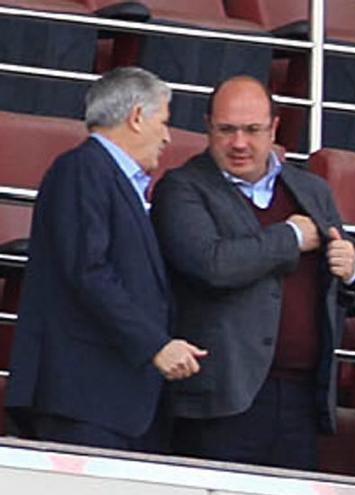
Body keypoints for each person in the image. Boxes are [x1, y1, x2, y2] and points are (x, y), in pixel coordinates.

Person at [150, 75, 355, 469]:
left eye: (252, 130)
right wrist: (289, 237)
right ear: (208, 128)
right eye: (227, 130)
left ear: (274, 128)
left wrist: (353, 269)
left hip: (302, 399)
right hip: (222, 400)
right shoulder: (182, 188)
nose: (240, 143)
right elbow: (212, 265)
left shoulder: (312, 190)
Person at [4, 67, 206, 450]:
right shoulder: (83, 169)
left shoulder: (111, 178)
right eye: (163, 122)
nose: (167, 137)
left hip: (115, 402)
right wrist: (154, 345)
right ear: (135, 117)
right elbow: (88, 271)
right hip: (85, 401)